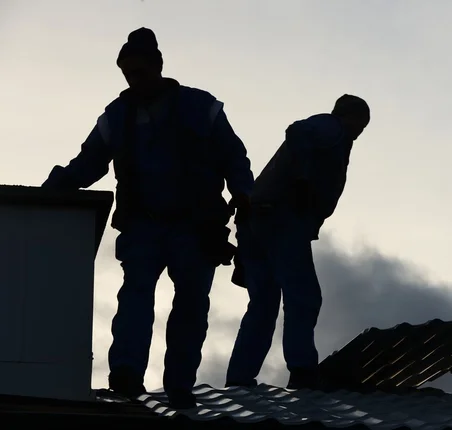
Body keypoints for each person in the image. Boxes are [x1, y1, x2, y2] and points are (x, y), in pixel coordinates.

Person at [41, 27, 254, 408]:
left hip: (196, 227)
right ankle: (125, 376)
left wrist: (245, 198)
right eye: (127, 73)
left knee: (191, 305)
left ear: (157, 66)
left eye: (139, 71)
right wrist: (46, 194)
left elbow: (234, 156)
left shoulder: (200, 106)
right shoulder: (117, 116)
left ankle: (179, 386)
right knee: (135, 299)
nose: (133, 79)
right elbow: (86, 165)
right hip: (144, 226)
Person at [226, 95, 370, 389]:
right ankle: (303, 370)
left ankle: (240, 378)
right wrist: (304, 180)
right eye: (361, 125)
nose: (359, 133)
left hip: (257, 222)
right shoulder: (332, 127)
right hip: (281, 221)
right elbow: (298, 130)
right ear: (351, 117)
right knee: (303, 296)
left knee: (263, 304)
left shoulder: (332, 134)